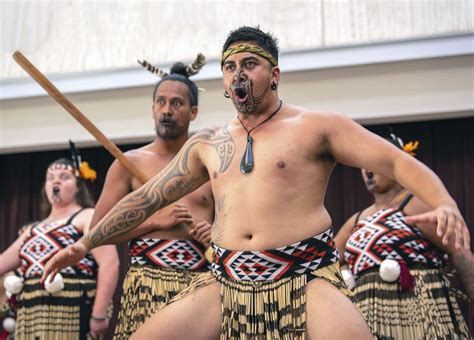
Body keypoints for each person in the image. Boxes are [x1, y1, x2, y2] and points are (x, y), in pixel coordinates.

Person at [42, 26, 471, 339]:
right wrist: (86, 243)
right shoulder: (207, 143)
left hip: (304, 277)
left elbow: (397, 163)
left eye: (249, 64)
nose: (237, 74)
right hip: (225, 278)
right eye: (229, 67)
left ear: (276, 74)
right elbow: (147, 198)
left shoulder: (317, 126)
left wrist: (445, 202)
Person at [87, 56, 214, 338]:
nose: (167, 110)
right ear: (153, 108)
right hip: (146, 285)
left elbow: (242, 226)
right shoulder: (127, 163)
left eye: (177, 103)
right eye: (161, 102)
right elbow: (96, 233)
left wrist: (217, 233)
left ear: (193, 112)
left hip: (200, 286)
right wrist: (153, 221)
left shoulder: (210, 165)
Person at [334, 134, 472, 339]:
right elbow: (329, 264)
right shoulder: (356, 221)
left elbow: (459, 252)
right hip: (369, 313)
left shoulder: (416, 204)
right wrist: (347, 274)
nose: (368, 170)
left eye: (375, 163)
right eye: (364, 165)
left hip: (419, 309)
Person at [0, 156, 119, 339]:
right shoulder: (32, 229)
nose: (56, 180)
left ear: (78, 186)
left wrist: (98, 314)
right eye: (51, 177)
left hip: (72, 310)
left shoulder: (86, 216)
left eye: (64, 177)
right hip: (30, 316)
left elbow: (109, 263)